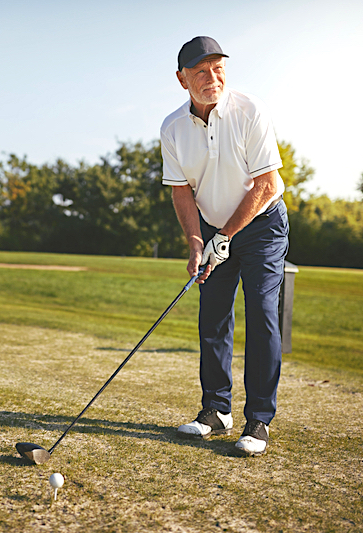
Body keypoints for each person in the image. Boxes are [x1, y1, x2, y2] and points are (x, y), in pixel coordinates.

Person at [160, 36, 289, 456]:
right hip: (214, 228)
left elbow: (266, 184)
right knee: (213, 316)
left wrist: (225, 237)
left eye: (218, 68)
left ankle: (258, 420)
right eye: (200, 71)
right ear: (182, 80)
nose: (212, 78)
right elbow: (181, 192)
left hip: (262, 225)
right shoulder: (173, 128)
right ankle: (216, 411)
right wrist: (197, 243)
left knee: (262, 313)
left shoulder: (250, 110)